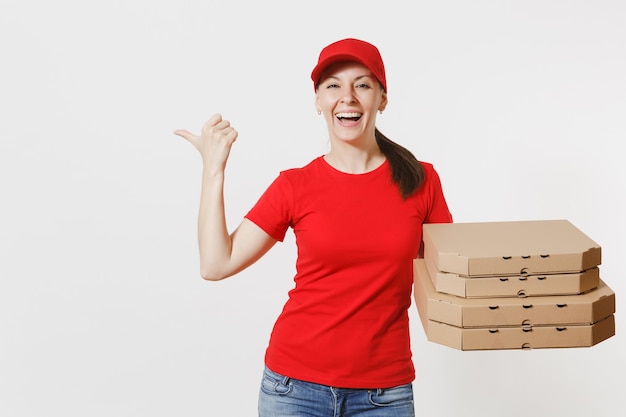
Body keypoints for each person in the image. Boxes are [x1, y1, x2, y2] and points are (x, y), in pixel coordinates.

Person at [175, 38, 453, 417]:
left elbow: (452, 276)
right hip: (293, 389)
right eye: (333, 85)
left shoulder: (422, 180)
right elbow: (215, 264)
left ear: (382, 99)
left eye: (363, 84)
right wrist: (213, 168)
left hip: (384, 393)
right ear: (318, 100)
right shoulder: (295, 185)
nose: (348, 97)